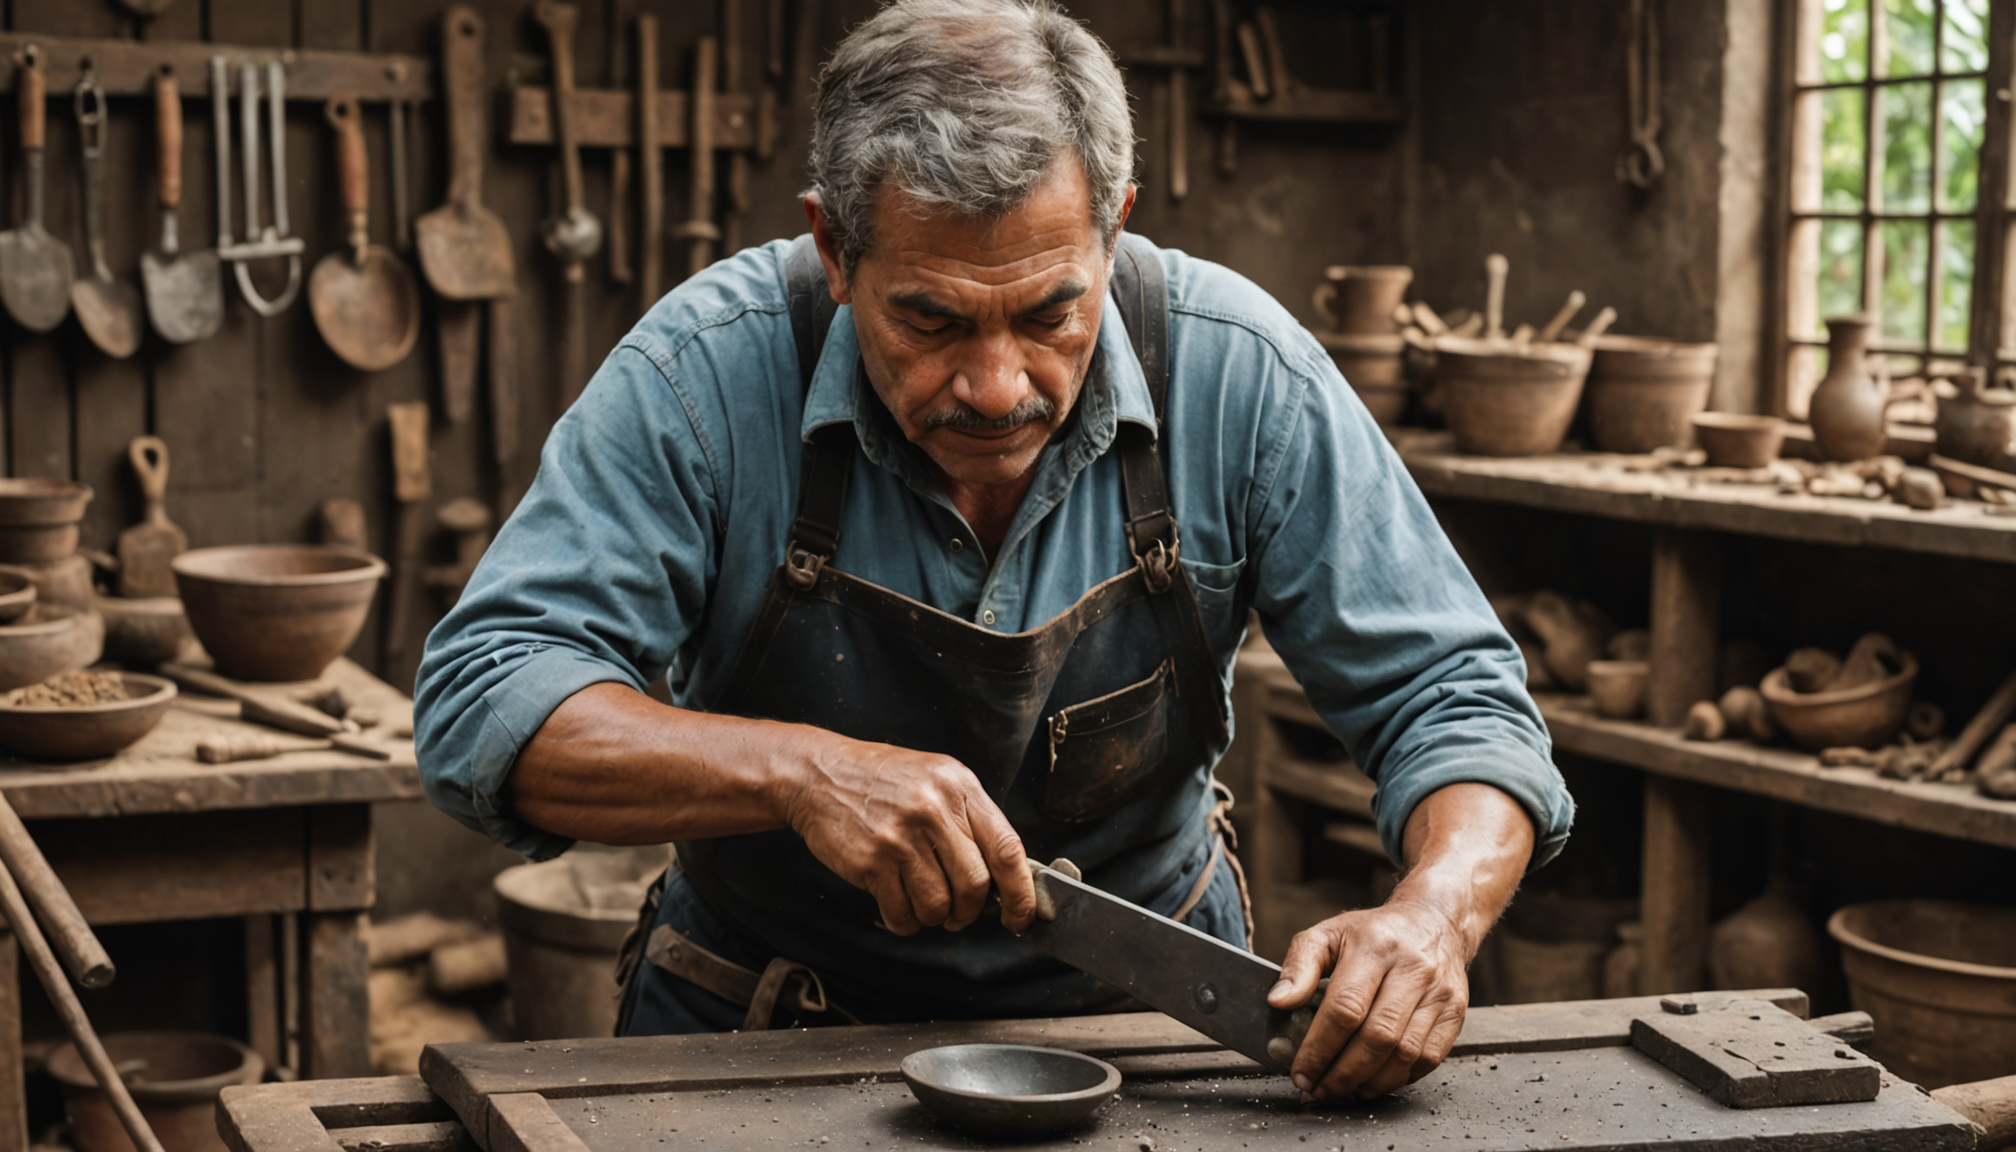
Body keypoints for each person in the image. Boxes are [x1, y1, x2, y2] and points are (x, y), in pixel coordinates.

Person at [415, 0, 1572, 1104]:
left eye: (1049, 313)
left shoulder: (1239, 377)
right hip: (760, 1025)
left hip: (1159, 1030)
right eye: (930, 321)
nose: (997, 387)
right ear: (833, 246)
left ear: (1113, 226)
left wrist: (1433, 915)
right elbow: (488, 704)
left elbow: (1455, 698)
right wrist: (802, 772)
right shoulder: (707, 376)